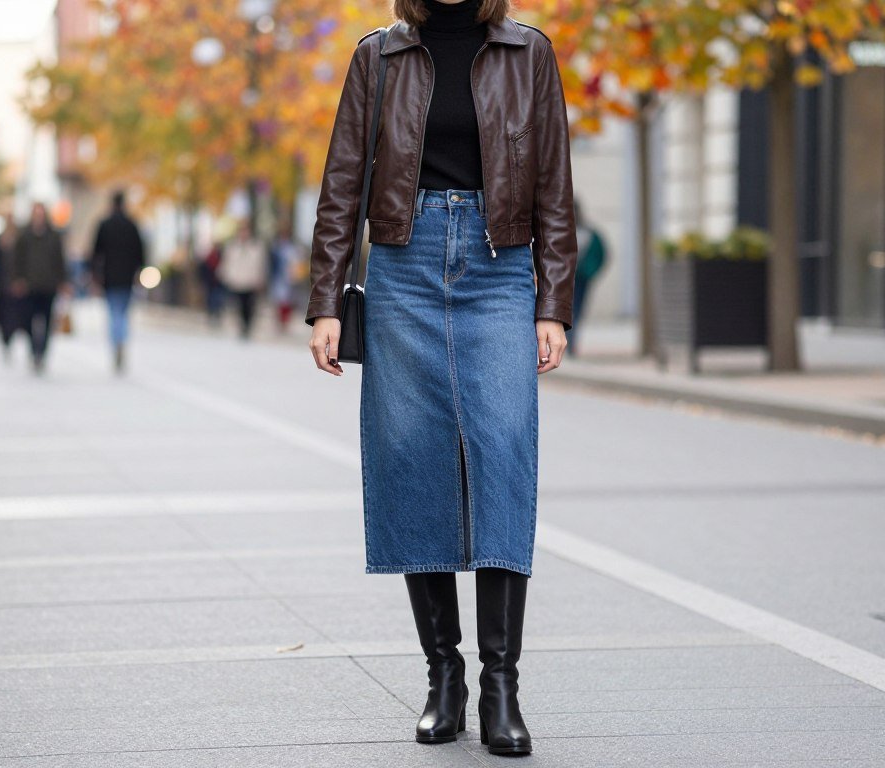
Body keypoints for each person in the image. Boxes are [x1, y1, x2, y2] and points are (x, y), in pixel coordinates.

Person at [306, 0, 577, 756]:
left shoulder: (529, 51)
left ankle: (500, 685)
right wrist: (327, 299)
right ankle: (443, 677)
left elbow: (554, 183)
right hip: (403, 262)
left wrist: (553, 304)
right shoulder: (378, 56)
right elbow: (342, 184)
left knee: (501, 453)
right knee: (412, 458)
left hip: (500, 267)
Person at [91, 190, 146, 372]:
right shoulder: (131, 225)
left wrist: (95, 275)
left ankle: (116, 342)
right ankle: (121, 340)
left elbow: (96, 252)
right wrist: (139, 273)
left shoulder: (105, 224)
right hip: (127, 277)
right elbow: (140, 252)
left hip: (110, 276)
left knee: (113, 312)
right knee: (123, 312)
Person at [11, 203, 68, 373]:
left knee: (47, 321)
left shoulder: (54, 236)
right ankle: (33, 350)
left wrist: (63, 281)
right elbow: (17, 260)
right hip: (29, 286)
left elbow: (60, 260)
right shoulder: (24, 235)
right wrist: (18, 279)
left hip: (48, 285)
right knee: (28, 320)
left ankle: (42, 352)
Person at [565, 200, 609, 356]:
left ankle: (572, 343)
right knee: (566, 311)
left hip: (581, 280)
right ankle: (568, 342)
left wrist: (589, 272)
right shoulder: (561, 232)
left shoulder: (589, 234)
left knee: (577, 311)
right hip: (564, 280)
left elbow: (601, 255)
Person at [0, 213, 23, 360]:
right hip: (1, 284)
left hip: (15, 285)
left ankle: (10, 336)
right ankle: (5, 338)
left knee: (13, 315)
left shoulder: (19, 240)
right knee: (1, 314)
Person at [219, 220, 265, 339]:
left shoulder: (256, 246)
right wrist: (224, 275)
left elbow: (261, 264)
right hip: (236, 280)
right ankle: (242, 325)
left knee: (249, 306)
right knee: (238, 305)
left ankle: (247, 325)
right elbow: (227, 262)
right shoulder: (232, 246)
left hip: (250, 281)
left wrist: (260, 279)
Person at [268, 222, 302, 332]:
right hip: (278, 277)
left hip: (288, 278)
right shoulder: (275, 247)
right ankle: (279, 321)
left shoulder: (292, 248)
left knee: (287, 300)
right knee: (279, 300)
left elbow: (296, 262)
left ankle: (285, 322)